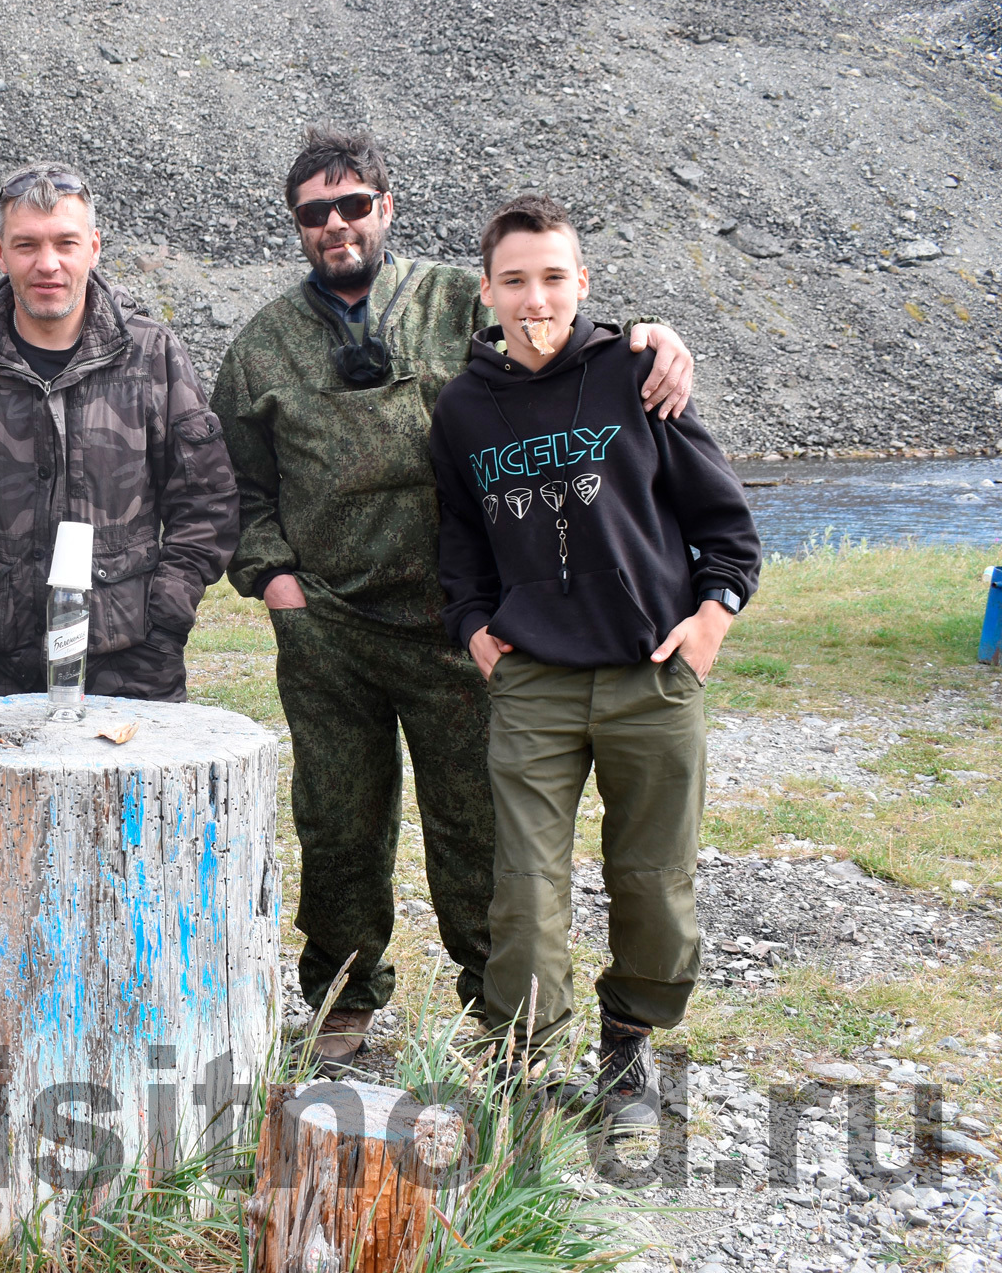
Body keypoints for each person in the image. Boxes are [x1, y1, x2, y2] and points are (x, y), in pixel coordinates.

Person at [212, 127, 699, 1068]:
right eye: (316, 212)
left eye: (355, 205)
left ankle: (503, 1016)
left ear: (386, 209)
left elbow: (558, 338)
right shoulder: (263, 344)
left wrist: (652, 338)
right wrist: (276, 584)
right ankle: (344, 1004)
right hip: (331, 630)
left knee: (482, 831)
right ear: (298, 226)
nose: (337, 225)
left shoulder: (458, 299)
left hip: (459, 628)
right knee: (338, 823)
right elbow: (238, 485)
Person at [429, 195, 758, 1125]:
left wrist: (710, 623)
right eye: (515, 280)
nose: (537, 298)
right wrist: (473, 625)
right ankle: (524, 1072)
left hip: (651, 675)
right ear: (486, 291)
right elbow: (459, 535)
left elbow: (724, 524)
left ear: (583, 282)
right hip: (533, 679)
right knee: (525, 890)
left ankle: (626, 1048)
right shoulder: (462, 407)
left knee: (653, 878)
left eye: (555, 277)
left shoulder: (639, 370)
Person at [0, 163, 238, 701]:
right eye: (27, 246)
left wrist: (167, 616)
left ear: (93, 247)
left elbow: (206, 500)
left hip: (133, 664)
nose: (48, 264)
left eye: (66, 243)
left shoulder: (152, 355)